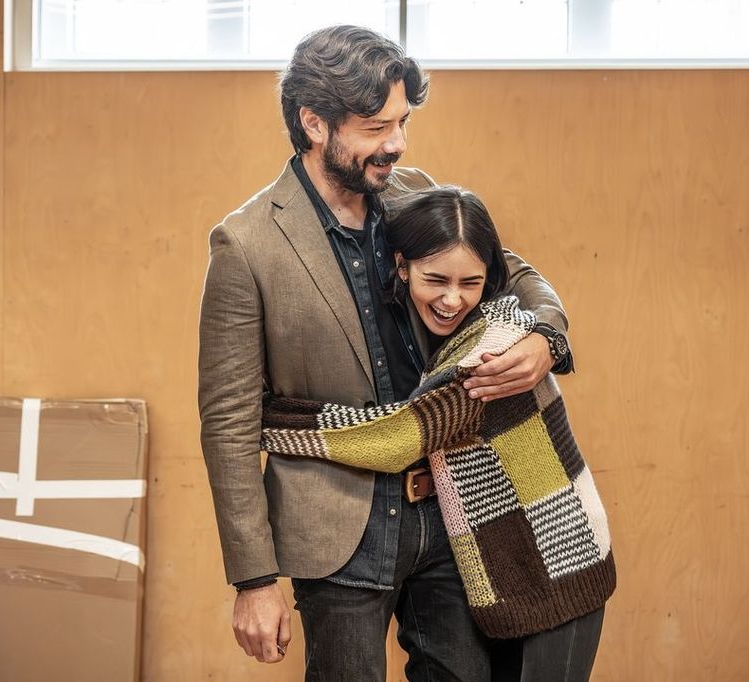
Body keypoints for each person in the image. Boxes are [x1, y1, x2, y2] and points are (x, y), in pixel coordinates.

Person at [198, 25, 575, 681]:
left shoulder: (412, 190)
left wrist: (547, 336)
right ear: (314, 122)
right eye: (377, 127)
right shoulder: (245, 244)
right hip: (336, 528)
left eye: (402, 122)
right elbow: (229, 421)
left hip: (452, 510)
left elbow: (514, 274)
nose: (397, 143)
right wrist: (253, 579)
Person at [260, 186, 616, 682]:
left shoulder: (490, 347)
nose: (453, 299)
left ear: (490, 276)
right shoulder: (481, 321)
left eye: (471, 282)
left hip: (559, 561)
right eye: (437, 280)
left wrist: (276, 421)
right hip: (521, 558)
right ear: (402, 267)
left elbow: (395, 439)